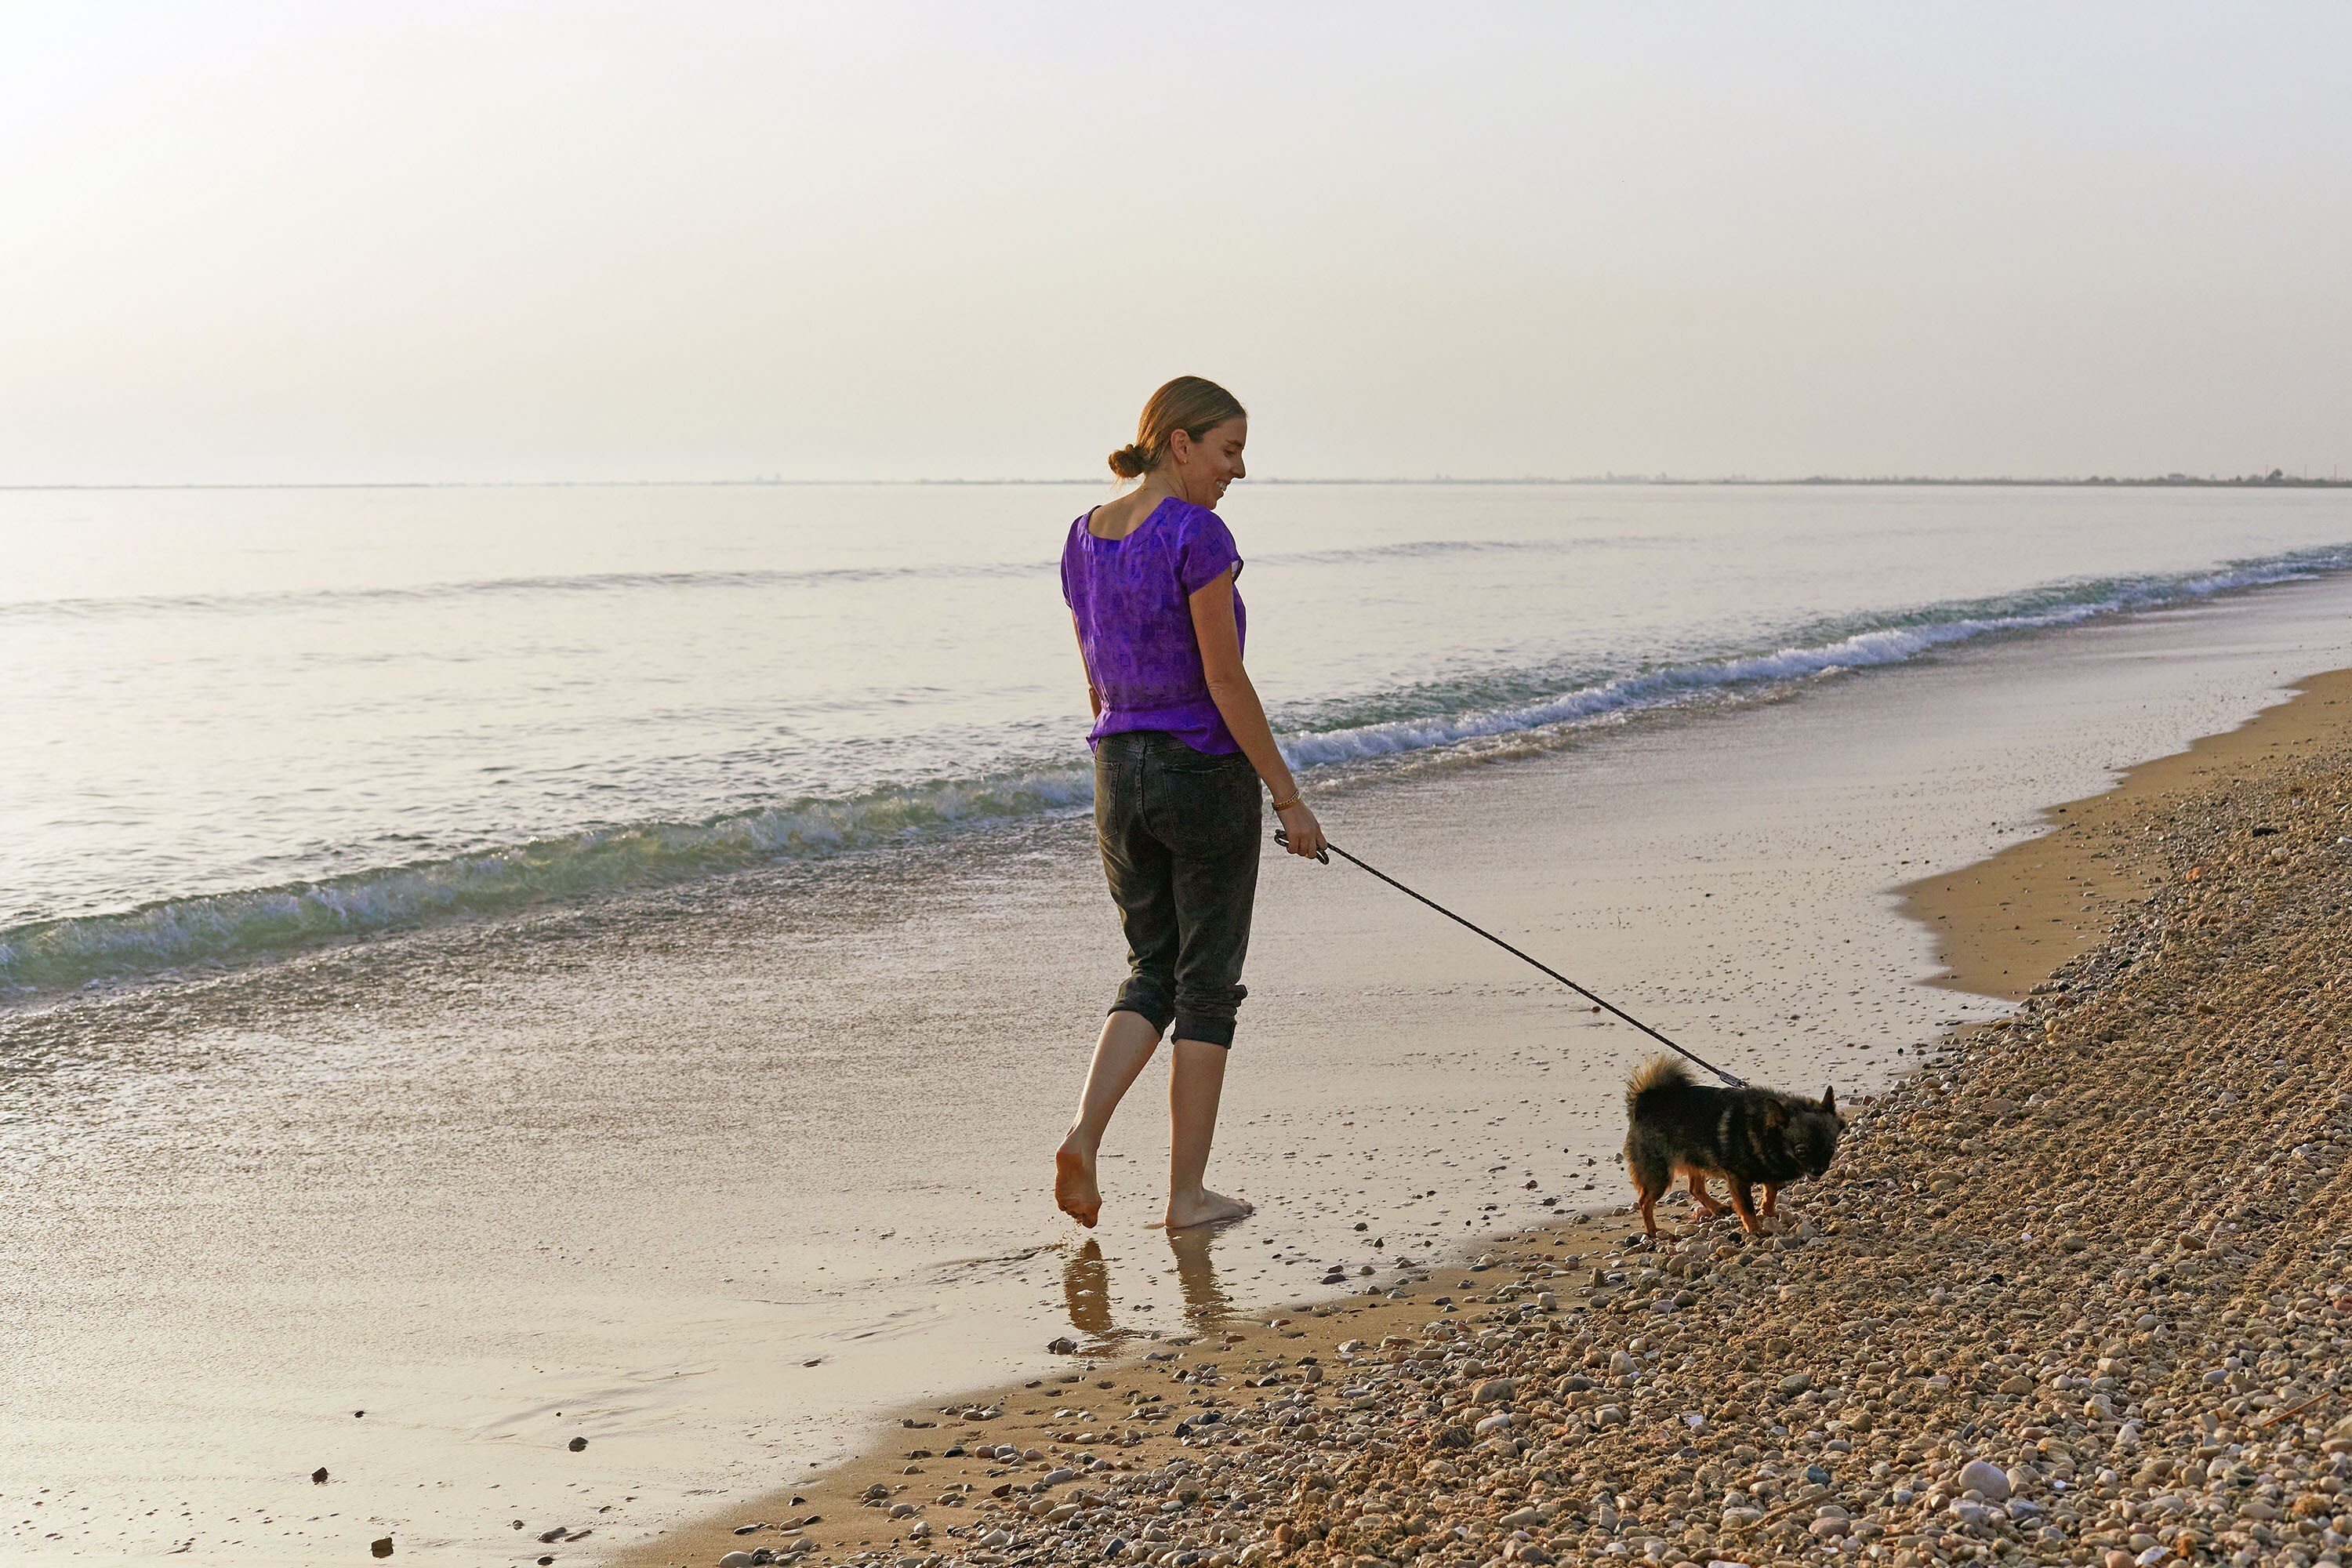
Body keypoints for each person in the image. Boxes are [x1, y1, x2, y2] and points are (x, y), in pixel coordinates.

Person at [1052, 376, 1327, 1232]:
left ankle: (1083, 1132)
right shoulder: (1196, 533)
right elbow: (1223, 678)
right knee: (1206, 987)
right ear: (1180, 443)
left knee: (1150, 971)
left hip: (1116, 770)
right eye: (1228, 450)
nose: (1236, 470)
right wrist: (1289, 800)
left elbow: (1095, 678)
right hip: (1200, 772)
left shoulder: (1083, 535)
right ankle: (1185, 1196)